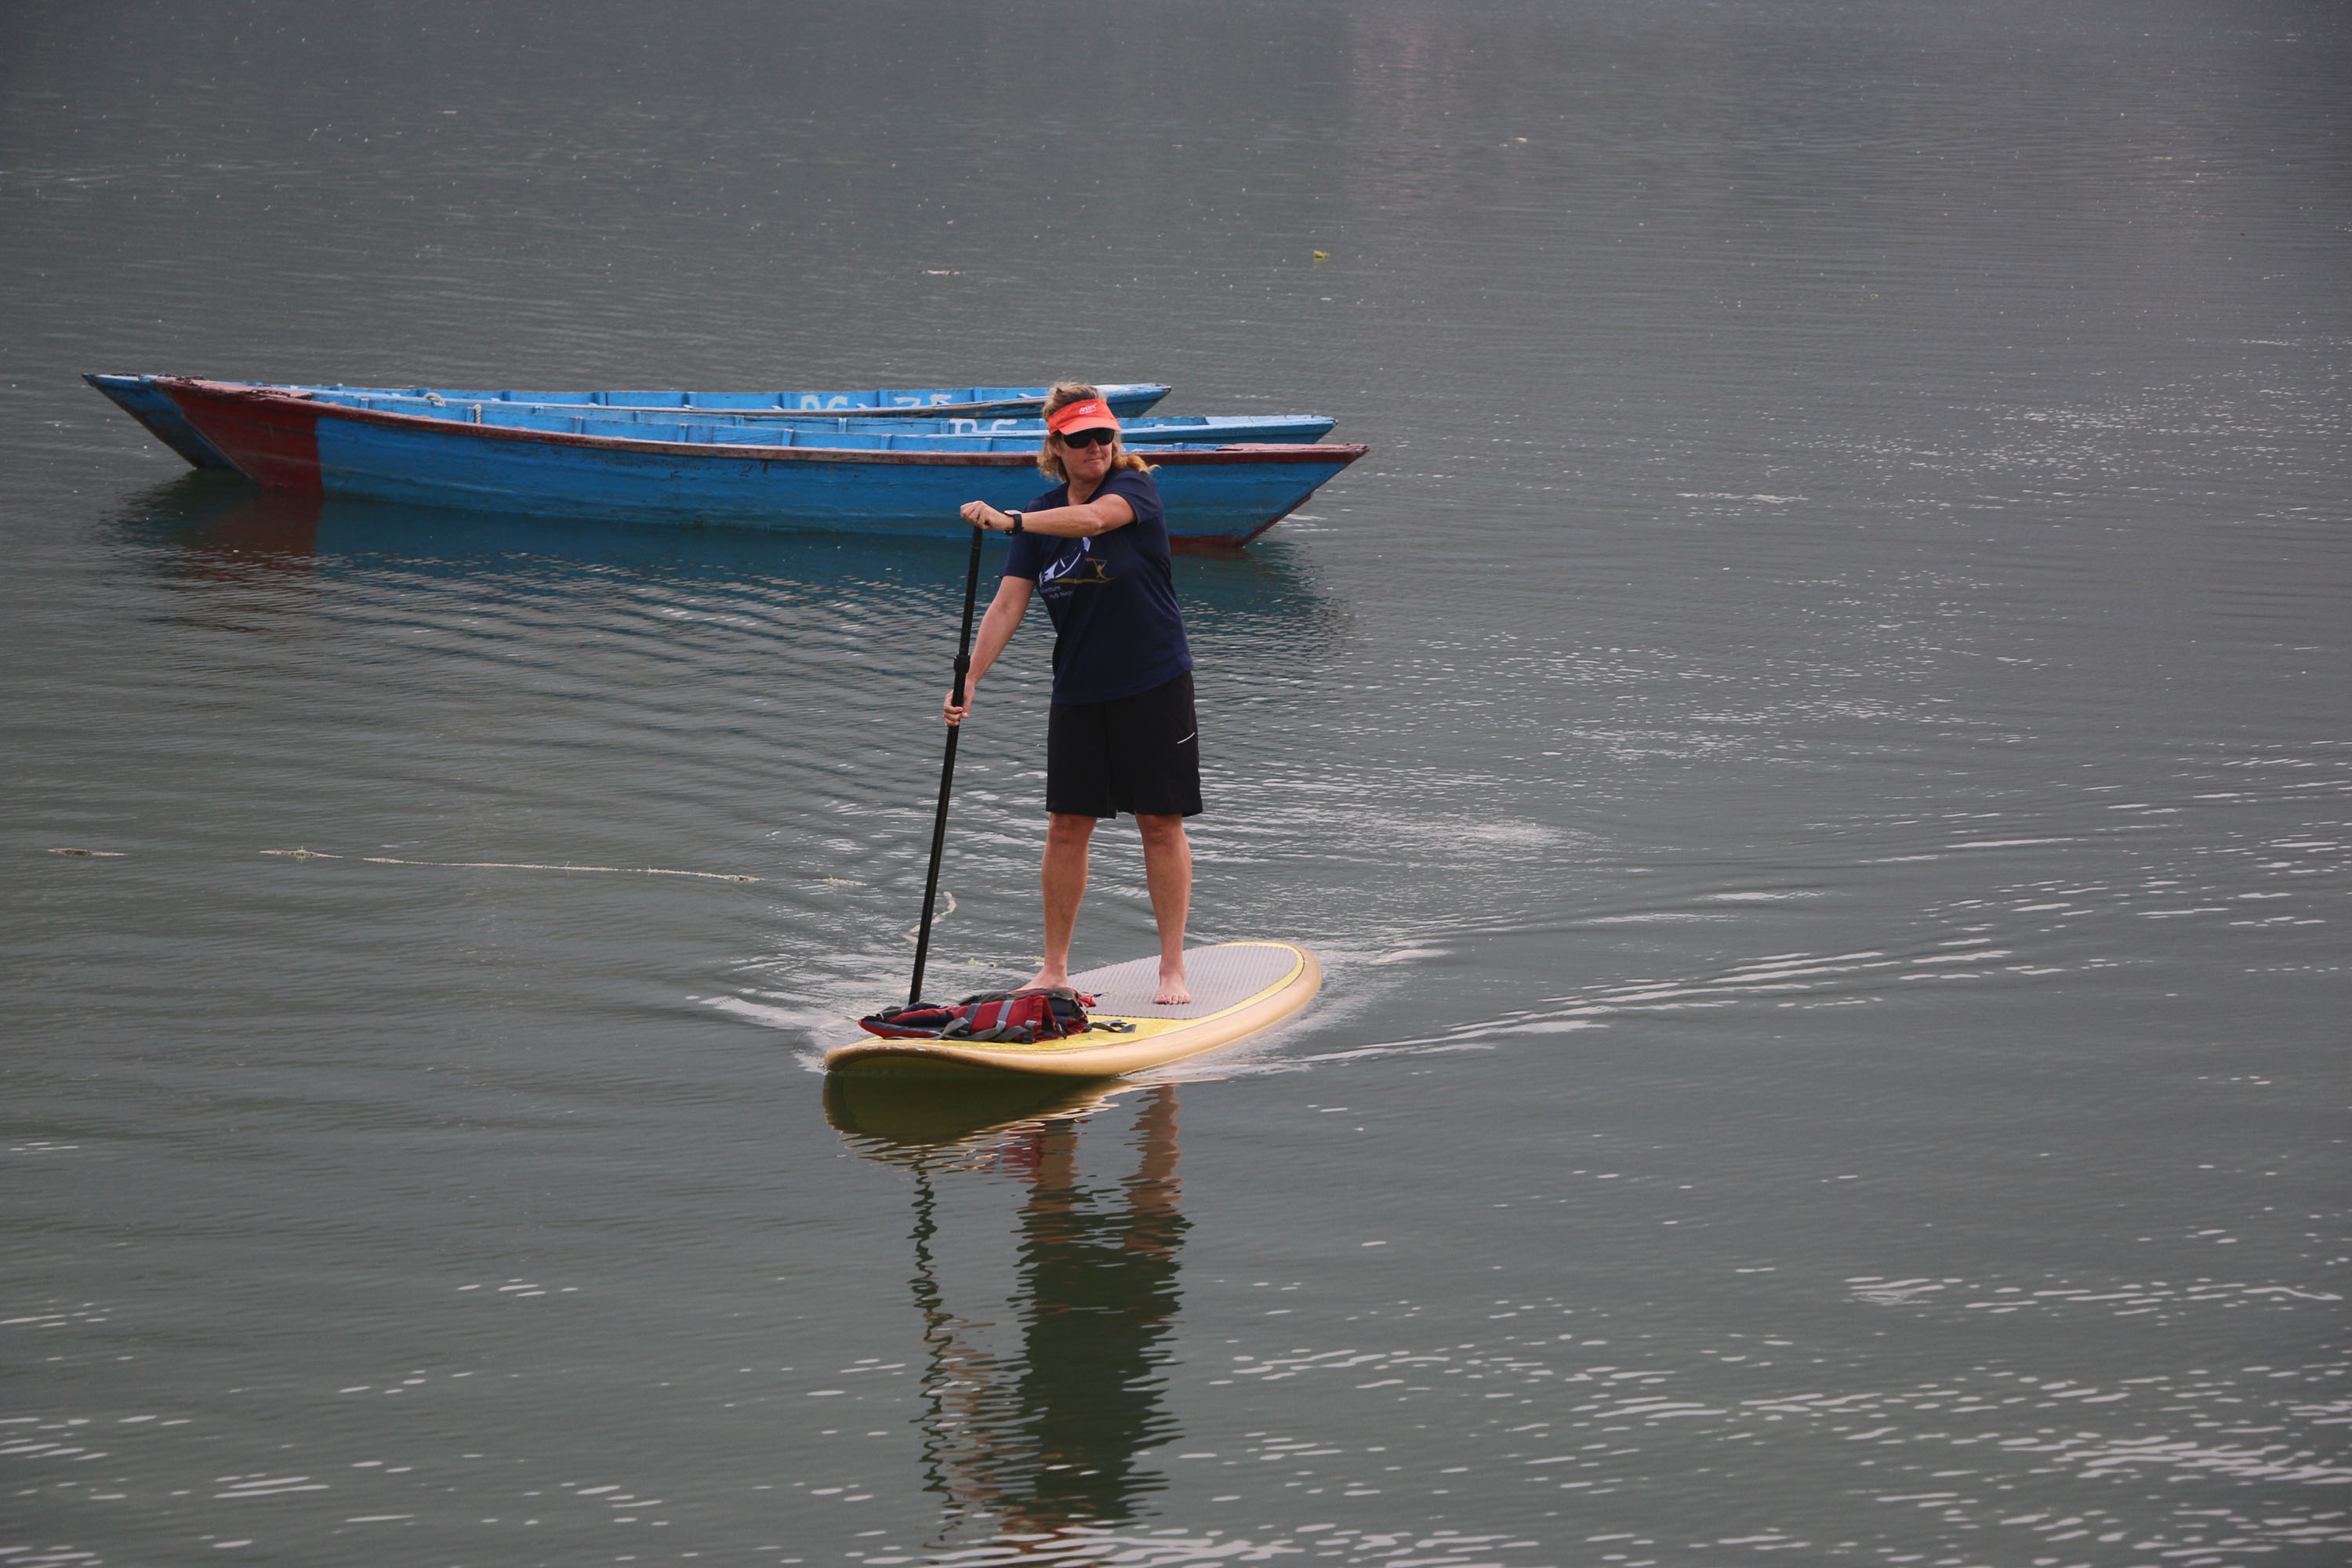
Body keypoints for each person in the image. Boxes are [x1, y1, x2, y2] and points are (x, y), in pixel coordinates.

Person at [947, 384, 1200, 1006]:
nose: (1097, 447)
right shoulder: (1040, 514)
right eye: (1082, 438)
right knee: (1065, 826)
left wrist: (1010, 520)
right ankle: (1054, 969)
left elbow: (1091, 521)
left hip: (1155, 680)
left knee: (1159, 824)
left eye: (1105, 436)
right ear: (1056, 446)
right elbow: (1008, 604)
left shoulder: (1134, 489)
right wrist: (970, 678)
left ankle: (1172, 968)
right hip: (1080, 689)